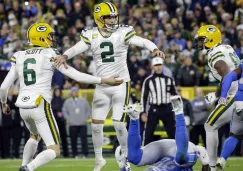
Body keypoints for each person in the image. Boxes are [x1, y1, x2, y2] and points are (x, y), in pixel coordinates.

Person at [54, 2, 164, 171]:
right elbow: (78, 47)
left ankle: (125, 159)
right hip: (103, 84)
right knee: (96, 125)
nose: (113, 20)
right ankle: (99, 160)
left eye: (114, 17)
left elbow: (141, 41)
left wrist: (154, 48)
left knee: (119, 124)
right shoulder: (91, 34)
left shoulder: (122, 32)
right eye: (108, 17)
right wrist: (66, 54)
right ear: (99, 19)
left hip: (121, 83)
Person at [0, 22, 123, 171]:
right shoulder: (50, 53)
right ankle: (28, 168)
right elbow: (76, 75)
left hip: (23, 107)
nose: (52, 39)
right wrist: (103, 80)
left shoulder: (18, 55)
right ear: (42, 38)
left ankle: (23, 166)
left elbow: (3, 87)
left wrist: (4, 103)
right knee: (54, 149)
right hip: (40, 104)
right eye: (50, 36)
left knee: (34, 136)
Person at [116, 96, 210, 171]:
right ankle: (179, 111)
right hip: (183, 153)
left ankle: (134, 118)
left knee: (134, 157)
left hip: (168, 150)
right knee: (181, 158)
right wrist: (205, 162)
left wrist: (122, 167)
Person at [194, 24, 240, 171]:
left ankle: (211, 166)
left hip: (235, 94)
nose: (199, 43)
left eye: (202, 39)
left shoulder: (214, 54)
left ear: (211, 39)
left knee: (210, 125)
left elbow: (226, 74)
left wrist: (217, 95)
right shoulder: (227, 47)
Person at [141, 57, 177, 145]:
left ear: (163, 66)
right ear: (152, 67)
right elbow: (144, 97)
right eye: (156, 65)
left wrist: (177, 110)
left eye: (159, 65)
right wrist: (143, 112)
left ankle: (177, 153)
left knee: (173, 133)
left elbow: (175, 95)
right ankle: (145, 154)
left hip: (167, 108)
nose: (158, 67)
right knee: (148, 134)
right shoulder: (148, 80)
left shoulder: (169, 80)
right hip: (154, 109)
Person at [215, 62, 243, 170]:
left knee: (234, 136)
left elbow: (228, 77)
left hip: (240, 105)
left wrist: (223, 96)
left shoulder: (241, 67)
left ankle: (222, 159)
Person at [62, 86, 90, 158]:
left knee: (84, 140)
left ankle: (85, 154)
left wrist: (85, 118)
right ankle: (75, 154)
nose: (75, 92)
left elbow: (88, 110)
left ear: (78, 92)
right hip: (73, 124)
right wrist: (69, 119)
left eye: (76, 91)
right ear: (71, 93)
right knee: (73, 140)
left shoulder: (84, 101)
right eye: (73, 91)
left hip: (82, 123)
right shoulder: (67, 102)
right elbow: (64, 111)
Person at [51, 88, 68, 157]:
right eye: (56, 91)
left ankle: (66, 154)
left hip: (62, 121)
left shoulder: (63, 100)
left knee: (64, 138)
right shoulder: (51, 100)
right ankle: (54, 154)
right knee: (54, 139)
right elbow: (51, 108)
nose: (57, 92)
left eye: (58, 91)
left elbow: (65, 108)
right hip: (54, 121)